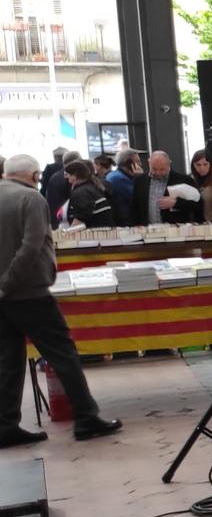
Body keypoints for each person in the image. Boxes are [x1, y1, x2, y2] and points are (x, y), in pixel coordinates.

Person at [0, 154, 121, 447]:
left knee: (8, 361)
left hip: (4, 298)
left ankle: (5, 424)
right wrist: (8, 283)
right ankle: (86, 417)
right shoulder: (31, 199)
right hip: (29, 293)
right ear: (34, 175)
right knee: (63, 354)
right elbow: (31, 246)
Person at [130, 151, 199, 225]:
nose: (158, 172)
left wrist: (176, 203)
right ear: (149, 163)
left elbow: (197, 205)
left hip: (175, 231)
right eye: (154, 169)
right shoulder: (140, 181)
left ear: (169, 164)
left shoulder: (184, 180)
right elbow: (135, 207)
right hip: (148, 230)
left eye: (162, 169)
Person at [61, 161, 116, 228]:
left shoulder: (80, 192)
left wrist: (67, 233)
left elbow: (81, 218)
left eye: (67, 174)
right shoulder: (93, 186)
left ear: (74, 176)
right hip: (106, 229)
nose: (66, 177)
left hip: (95, 232)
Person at [104, 150, 138, 222]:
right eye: (137, 162)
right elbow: (138, 198)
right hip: (125, 219)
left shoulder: (113, 174)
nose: (140, 164)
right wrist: (139, 179)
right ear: (129, 163)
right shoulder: (119, 179)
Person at [40, 148, 70, 223]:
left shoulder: (49, 168)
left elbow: (44, 187)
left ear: (55, 157)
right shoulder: (71, 168)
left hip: (54, 201)